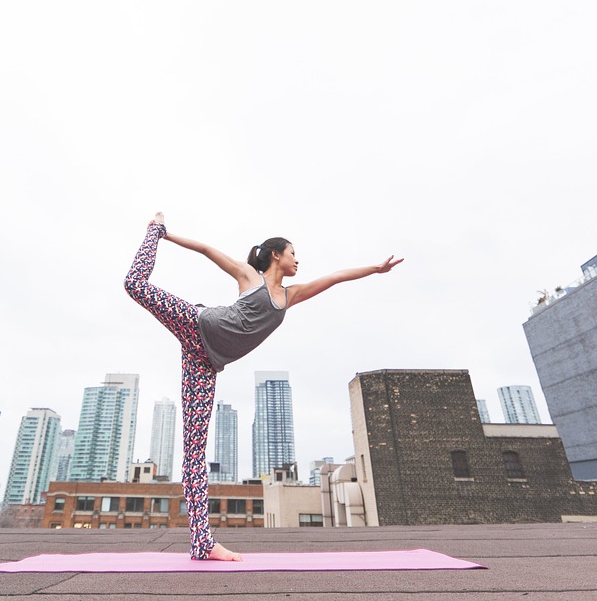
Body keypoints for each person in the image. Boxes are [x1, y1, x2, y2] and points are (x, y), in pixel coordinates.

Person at [123, 212, 403, 561]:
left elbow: (333, 278)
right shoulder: (249, 277)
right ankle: (151, 230)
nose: (297, 259)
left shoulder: (290, 296)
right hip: (198, 323)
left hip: (206, 362)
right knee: (134, 284)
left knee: (194, 450)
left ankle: (203, 544)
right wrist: (165, 235)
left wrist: (374, 270)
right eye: (293, 252)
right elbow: (209, 250)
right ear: (276, 255)